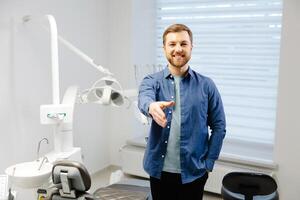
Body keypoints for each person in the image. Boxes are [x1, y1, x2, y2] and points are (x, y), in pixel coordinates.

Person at [138, 24, 226, 200]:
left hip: (194, 172)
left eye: (183, 44)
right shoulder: (151, 81)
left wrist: (208, 163)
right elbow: (144, 99)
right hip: (159, 171)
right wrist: (151, 107)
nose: (178, 49)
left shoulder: (207, 85)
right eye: (172, 44)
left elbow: (219, 126)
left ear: (191, 47)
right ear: (164, 48)